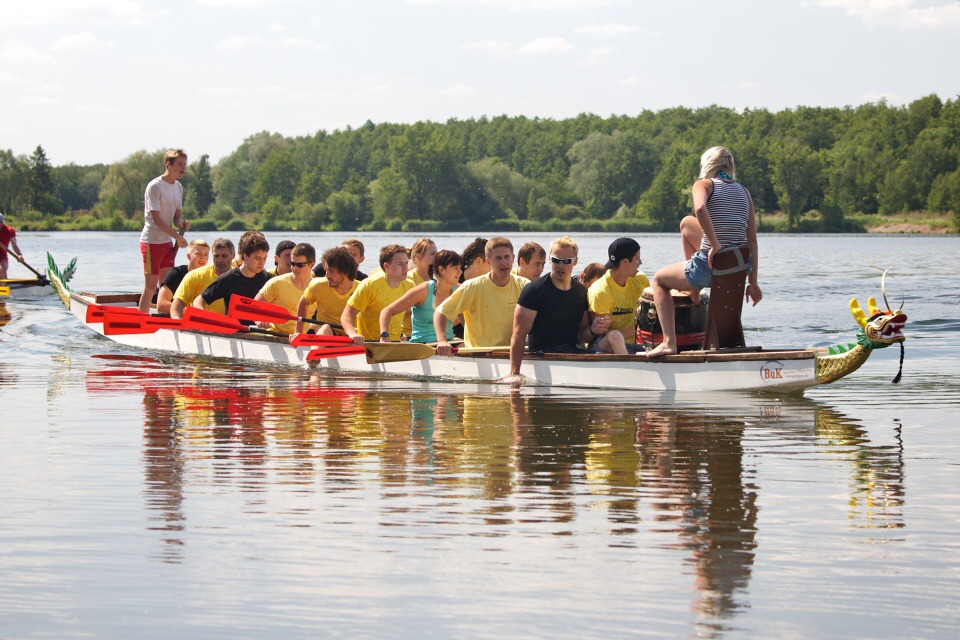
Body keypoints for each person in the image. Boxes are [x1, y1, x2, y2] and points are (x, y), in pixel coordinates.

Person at [646, 146, 762, 357]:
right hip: (738, 268)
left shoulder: (704, 184)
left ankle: (669, 343)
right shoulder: (745, 192)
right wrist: (752, 283)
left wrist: (715, 245)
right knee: (686, 223)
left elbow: (700, 209)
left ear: (707, 166)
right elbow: (752, 241)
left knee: (659, 281)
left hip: (711, 266)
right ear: (730, 167)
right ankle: (693, 290)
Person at [503, 237, 604, 383]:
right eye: (556, 260)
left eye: (566, 261)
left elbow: (583, 335)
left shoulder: (581, 292)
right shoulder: (534, 290)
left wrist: (594, 329)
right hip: (543, 355)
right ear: (550, 260)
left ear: (575, 261)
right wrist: (514, 372)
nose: (560, 266)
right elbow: (519, 334)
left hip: (571, 353)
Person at [435, 237, 528, 354]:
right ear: (488, 261)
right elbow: (440, 312)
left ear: (513, 258)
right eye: (498, 258)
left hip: (512, 353)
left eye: (506, 257)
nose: (504, 262)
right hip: (480, 354)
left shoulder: (524, 285)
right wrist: (442, 340)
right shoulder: (472, 286)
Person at [138, 149, 189, 313]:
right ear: (168, 164)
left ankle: (163, 319)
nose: (183, 168)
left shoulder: (178, 187)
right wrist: (177, 237)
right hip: (151, 241)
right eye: (180, 164)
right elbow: (156, 219)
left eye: (185, 164)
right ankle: (142, 320)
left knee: (165, 287)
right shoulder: (155, 187)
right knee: (150, 287)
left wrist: (181, 224)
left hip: (166, 242)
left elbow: (176, 218)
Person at [379, 250, 462, 343]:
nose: (460, 271)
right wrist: (384, 335)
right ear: (441, 270)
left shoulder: (460, 290)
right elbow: (387, 311)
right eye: (455, 268)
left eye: (460, 267)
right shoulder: (423, 291)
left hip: (449, 341)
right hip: (422, 344)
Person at [588, 238, 650, 354]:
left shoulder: (641, 280)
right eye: (637, 258)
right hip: (605, 347)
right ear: (625, 261)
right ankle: (627, 364)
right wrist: (640, 329)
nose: (640, 262)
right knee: (615, 336)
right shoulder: (600, 292)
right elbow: (605, 334)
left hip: (636, 345)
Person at [341, 244, 414, 344]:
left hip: (395, 342)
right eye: (400, 264)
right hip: (369, 344)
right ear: (386, 266)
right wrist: (352, 333)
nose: (406, 268)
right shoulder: (370, 285)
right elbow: (347, 314)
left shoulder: (410, 286)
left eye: (406, 263)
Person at [194, 232, 271, 317]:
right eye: (257, 258)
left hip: (261, 325)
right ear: (245, 256)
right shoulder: (228, 279)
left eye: (264, 258)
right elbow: (199, 301)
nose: (262, 263)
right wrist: (204, 315)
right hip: (234, 325)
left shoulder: (269, 280)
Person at [296, 246, 359, 338]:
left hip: (352, 335)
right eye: (326, 270)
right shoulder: (318, 285)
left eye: (331, 271)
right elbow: (304, 302)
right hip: (326, 333)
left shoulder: (360, 288)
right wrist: (298, 332)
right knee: (325, 328)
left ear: (345, 272)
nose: (326, 275)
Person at [255, 242, 316, 334]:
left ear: (311, 264)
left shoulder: (317, 287)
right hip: (274, 335)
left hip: (300, 337)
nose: (294, 268)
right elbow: (255, 306)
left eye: (300, 265)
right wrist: (259, 321)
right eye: (292, 263)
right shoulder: (276, 283)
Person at [170, 238, 235, 319]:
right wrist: (176, 318)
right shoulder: (194, 276)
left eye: (224, 256)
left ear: (233, 255)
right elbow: (178, 304)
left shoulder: (239, 277)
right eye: (216, 256)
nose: (219, 260)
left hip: (230, 324)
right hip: (200, 323)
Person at [156, 239, 209, 315]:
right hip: (174, 316)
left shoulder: (209, 275)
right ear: (189, 256)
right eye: (198, 253)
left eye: (206, 254)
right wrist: (192, 312)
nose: (202, 257)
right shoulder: (175, 274)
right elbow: (161, 305)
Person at [0, 213, 23, 280]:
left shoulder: (9, 230)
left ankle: (3, 286)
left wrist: (19, 255)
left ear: (2, 222)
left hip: (2, 257)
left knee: (3, 269)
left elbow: (14, 245)